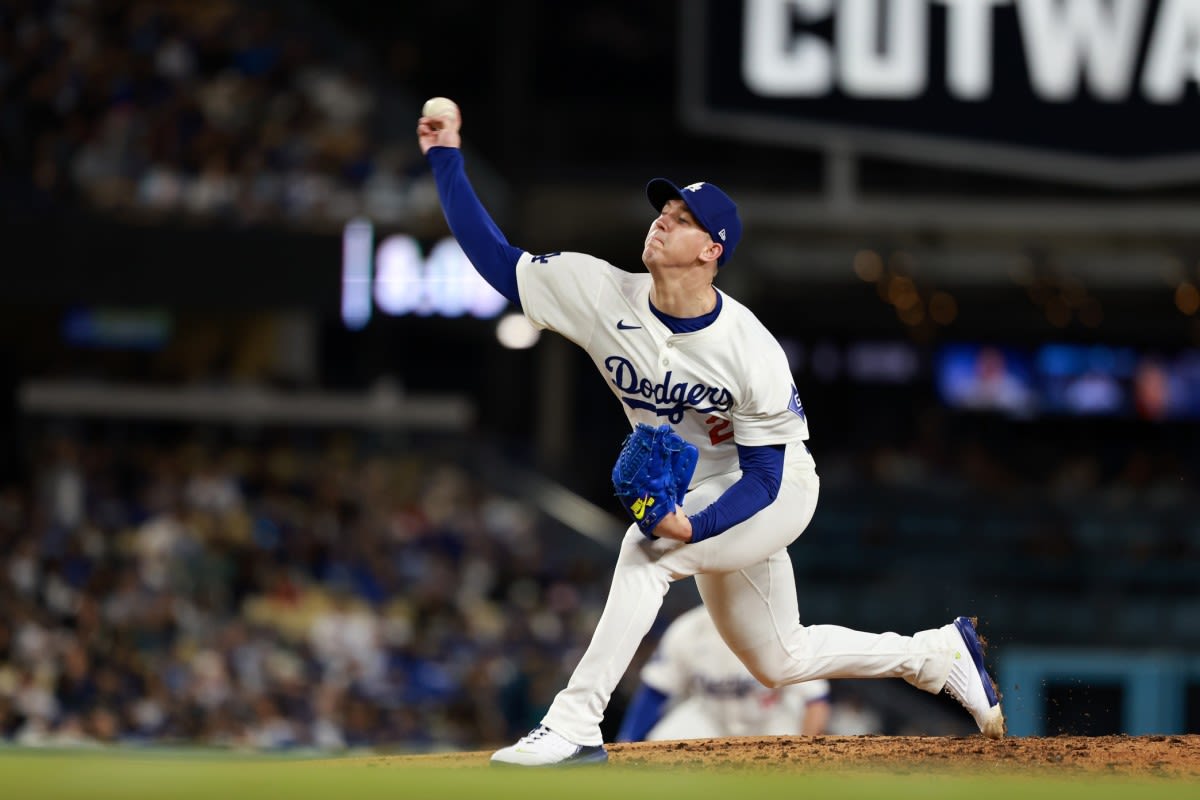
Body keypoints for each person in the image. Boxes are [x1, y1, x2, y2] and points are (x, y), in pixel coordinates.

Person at [416, 102, 1005, 767]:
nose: (663, 221)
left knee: (647, 554)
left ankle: (575, 723)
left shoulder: (748, 349)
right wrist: (446, 158)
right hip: (702, 490)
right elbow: (498, 262)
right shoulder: (601, 292)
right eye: (662, 212)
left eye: (682, 219)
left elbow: (765, 477)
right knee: (780, 660)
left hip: (772, 490)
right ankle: (934, 656)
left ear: (711, 249)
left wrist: (693, 530)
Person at [616, 605, 831, 741]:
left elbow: (816, 701)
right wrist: (626, 743)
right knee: (658, 744)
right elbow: (655, 691)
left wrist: (806, 752)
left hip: (771, 722)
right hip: (711, 720)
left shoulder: (779, 628)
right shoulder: (689, 629)